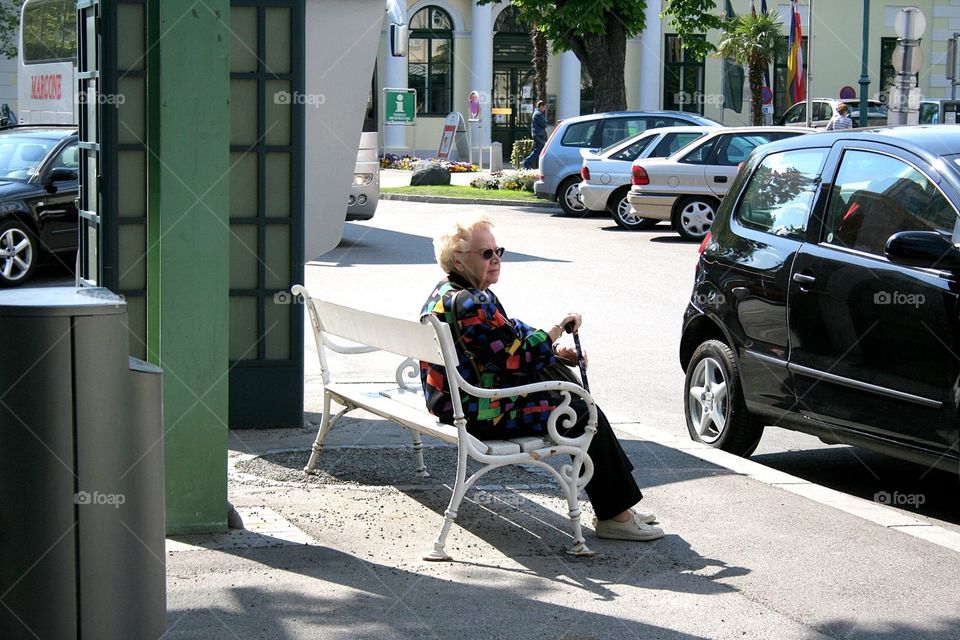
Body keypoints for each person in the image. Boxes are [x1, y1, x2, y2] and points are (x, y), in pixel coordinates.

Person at [419, 214, 664, 542]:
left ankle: (620, 507)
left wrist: (556, 352)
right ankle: (616, 515)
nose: (495, 260)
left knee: (571, 394)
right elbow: (516, 357)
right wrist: (556, 330)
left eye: (498, 251)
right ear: (459, 259)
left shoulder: (447, 293)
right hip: (481, 413)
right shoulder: (472, 302)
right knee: (579, 410)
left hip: (458, 401)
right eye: (486, 254)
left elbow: (504, 339)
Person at [522, 100, 548, 169]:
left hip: (538, 135)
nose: (545, 109)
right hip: (538, 135)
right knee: (539, 150)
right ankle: (527, 162)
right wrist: (545, 121)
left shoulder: (538, 113)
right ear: (541, 106)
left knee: (538, 150)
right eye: (544, 107)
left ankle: (531, 164)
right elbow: (545, 124)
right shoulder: (538, 114)